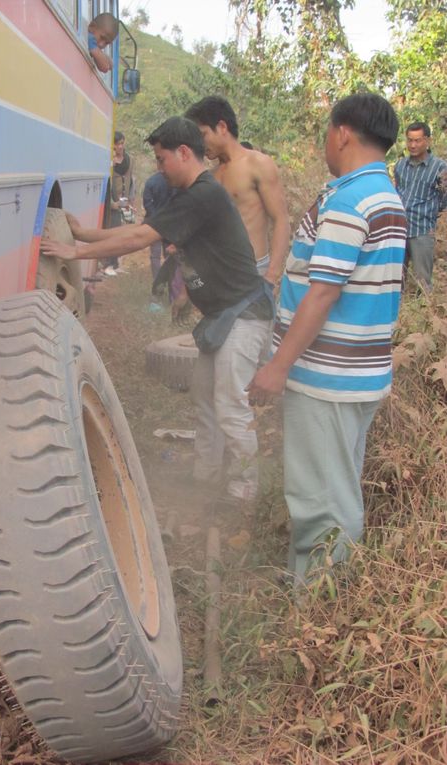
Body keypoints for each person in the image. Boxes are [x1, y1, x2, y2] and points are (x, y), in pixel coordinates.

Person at [41, 116, 275, 502]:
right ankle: (206, 476)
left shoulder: (204, 195)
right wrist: (83, 234)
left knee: (230, 402)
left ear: (184, 153)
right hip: (224, 318)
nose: (158, 168)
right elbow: (144, 229)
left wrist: (77, 251)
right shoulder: (193, 196)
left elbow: (138, 237)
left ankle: (244, 490)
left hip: (245, 316)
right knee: (205, 395)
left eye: (162, 159)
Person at [247, 93, 407, 585]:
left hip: (328, 378)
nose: (325, 143)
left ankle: (319, 605)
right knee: (335, 486)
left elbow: (322, 294)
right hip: (356, 375)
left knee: (322, 500)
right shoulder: (384, 195)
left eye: (326, 133)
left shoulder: (348, 199)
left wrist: (277, 367)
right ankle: (316, 590)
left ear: (342, 133)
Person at [185, 96, 290, 287]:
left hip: (253, 272)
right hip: (218, 275)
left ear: (222, 127)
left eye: (202, 135)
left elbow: (281, 220)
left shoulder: (258, 164)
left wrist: (271, 276)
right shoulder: (210, 177)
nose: (199, 144)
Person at [394, 121, 447, 293]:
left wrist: (428, 213)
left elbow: (444, 198)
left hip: (422, 231)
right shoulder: (400, 165)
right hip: (399, 230)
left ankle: (426, 316)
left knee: (422, 283)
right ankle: (397, 316)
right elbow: (398, 192)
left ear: (428, 141)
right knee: (395, 280)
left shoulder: (440, 167)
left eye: (418, 140)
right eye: (410, 140)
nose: (413, 145)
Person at [103, 131, 136, 276]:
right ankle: (109, 263)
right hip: (112, 203)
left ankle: (115, 263)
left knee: (123, 231)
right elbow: (106, 184)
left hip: (124, 201)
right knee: (112, 232)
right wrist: (112, 203)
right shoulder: (108, 162)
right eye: (117, 144)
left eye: (122, 143)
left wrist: (130, 199)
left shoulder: (129, 160)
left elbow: (131, 181)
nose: (120, 147)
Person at [143, 171, 172, 280]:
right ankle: (170, 281)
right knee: (169, 255)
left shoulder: (151, 181)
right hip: (170, 225)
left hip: (154, 225)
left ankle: (157, 282)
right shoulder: (174, 182)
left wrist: (156, 218)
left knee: (155, 256)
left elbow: (147, 203)